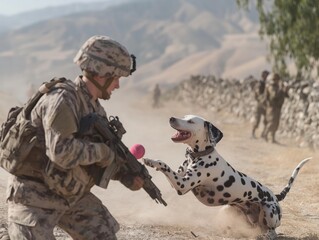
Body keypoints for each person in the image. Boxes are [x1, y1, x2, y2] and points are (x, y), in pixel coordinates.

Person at [2, 35, 144, 240]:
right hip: (33, 195)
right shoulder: (62, 100)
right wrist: (104, 152)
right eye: (117, 78)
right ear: (103, 74)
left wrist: (124, 175)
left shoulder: (95, 109)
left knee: (104, 234)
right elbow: (62, 152)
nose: (118, 86)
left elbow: (95, 162)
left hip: (69, 194)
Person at [262, 73, 289, 143]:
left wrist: (285, 89)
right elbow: (274, 96)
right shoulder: (271, 87)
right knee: (271, 122)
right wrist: (281, 89)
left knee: (276, 123)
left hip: (277, 107)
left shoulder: (276, 87)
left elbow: (286, 95)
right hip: (272, 107)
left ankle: (272, 138)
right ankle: (265, 134)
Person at [251, 70, 269, 138]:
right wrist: (263, 99)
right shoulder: (260, 84)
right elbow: (258, 95)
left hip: (264, 105)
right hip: (259, 105)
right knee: (257, 120)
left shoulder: (266, 84)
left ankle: (263, 134)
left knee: (267, 120)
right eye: (266, 75)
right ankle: (253, 133)